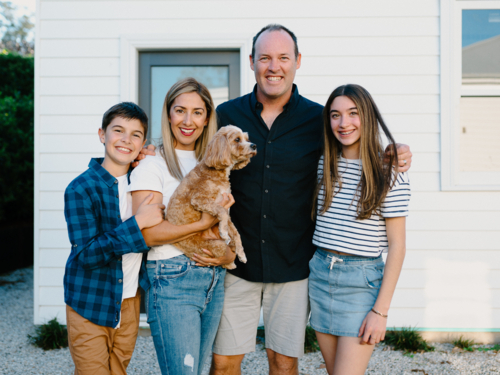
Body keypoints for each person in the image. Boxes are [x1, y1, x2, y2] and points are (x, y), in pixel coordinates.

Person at [208, 25, 413, 375]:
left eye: (283, 58)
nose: (274, 66)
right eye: (265, 58)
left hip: (295, 266)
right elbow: (191, 154)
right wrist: (147, 153)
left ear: (298, 61)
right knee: (224, 363)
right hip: (236, 264)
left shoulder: (319, 119)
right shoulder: (225, 116)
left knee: (284, 364)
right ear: (252, 62)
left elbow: (354, 144)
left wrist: (393, 152)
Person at [129, 77, 236, 375]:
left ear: (207, 119)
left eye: (197, 112)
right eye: (180, 110)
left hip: (214, 280)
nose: (188, 120)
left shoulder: (212, 163)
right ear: (168, 114)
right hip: (172, 279)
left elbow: (222, 221)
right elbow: (147, 233)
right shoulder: (153, 163)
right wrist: (202, 223)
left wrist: (227, 256)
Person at [309, 84, 410, 374]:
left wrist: (380, 311)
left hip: (360, 282)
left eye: (353, 114)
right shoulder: (323, 165)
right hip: (320, 276)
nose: (344, 123)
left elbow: (398, 247)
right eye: (335, 115)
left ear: (367, 116)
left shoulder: (389, 174)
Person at [63, 102, 166, 374]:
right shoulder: (81, 188)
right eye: (118, 130)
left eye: (135, 134)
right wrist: (138, 223)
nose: (126, 140)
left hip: (130, 301)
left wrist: (153, 158)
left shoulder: (143, 181)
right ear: (102, 135)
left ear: (143, 142)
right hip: (90, 299)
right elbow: (86, 254)